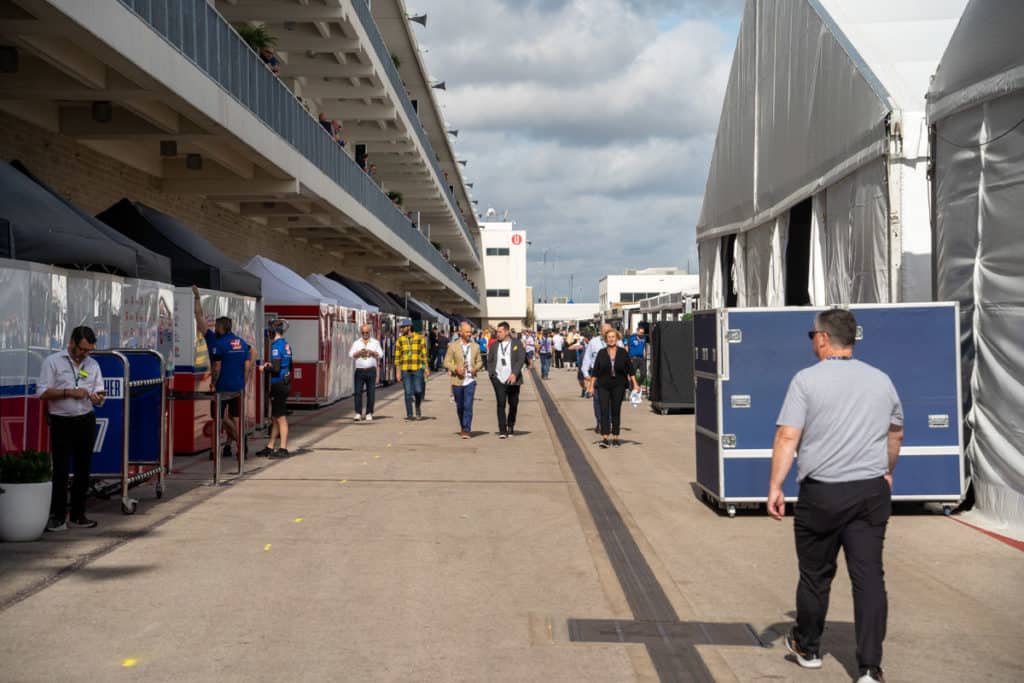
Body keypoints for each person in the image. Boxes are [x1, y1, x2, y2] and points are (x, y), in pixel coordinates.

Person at [768, 309, 903, 683]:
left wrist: (775, 487)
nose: (812, 341)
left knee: (815, 575)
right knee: (869, 577)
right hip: (869, 491)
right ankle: (870, 667)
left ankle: (808, 646)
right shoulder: (881, 381)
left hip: (821, 493)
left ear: (824, 339)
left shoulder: (806, 381)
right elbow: (895, 434)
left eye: (812, 335)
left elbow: (787, 437)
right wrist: (887, 469)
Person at [37, 326, 105, 530]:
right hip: (61, 420)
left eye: (89, 350)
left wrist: (98, 397)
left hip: (85, 418)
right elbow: (42, 392)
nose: (85, 354)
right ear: (72, 343)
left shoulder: (92, 365)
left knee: (83, 469)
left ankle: (78, 514)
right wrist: (68, 393)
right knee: (61, 469)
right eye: (82, 349)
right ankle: (58, 516)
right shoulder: (53, 362)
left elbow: (100, 392)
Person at [193, 285, 254, 460]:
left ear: (221, 327)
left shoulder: (217, 343)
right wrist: (245, 379)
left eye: (216, 326)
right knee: (234, 417)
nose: (213, 327)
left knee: (218, 417)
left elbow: (217, 367)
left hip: (223, 387)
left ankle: (237, 440)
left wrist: (214, 382)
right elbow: (248, 362)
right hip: (238, 387)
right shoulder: (240, 342)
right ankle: (234, 442)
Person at [586, 328, 640, 448]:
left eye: (613, 337)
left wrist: (635, 384)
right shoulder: (601, 352)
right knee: (604, 410)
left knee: (616, 410)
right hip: (603, 385)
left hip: (618, 385)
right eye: (609, 337)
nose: (611, 339)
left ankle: (615, 437)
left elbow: (630, 369)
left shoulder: (623, 352)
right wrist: (591, 386)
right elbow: (595, 371)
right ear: (606, 339)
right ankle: (605, 437)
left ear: (617, 338)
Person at [258, 319, 292, 458]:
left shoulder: (277, 346)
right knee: (274, 417)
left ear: (273, 331)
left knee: (280, 417)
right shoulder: (286, 344)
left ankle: (283, 448)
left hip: (279, 383)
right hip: (285, 382)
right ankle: (270, 445)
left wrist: (264, 368)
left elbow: (276, 368)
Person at [487, 322, 526, 439]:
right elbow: (490, 361)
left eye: (500, 332)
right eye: (497, 332)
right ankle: (502, 429)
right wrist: (492, 375)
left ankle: (510, 425)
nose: (497, 334)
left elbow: (520, 359)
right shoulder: (494, 345)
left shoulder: (517, 344)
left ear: (507, 332)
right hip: (498, 379)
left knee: (513, 404)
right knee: (500, 403)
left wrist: (514, 373)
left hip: (513, 379)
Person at [581, 323, 623, 433]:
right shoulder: (594, 342)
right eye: (604, 331)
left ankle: (608, 422)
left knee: (611, 401)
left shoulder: (618, 342)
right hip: (597, 376)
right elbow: (587, 358)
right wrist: (586, 374)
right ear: (601, 331)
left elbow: (624, 359)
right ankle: (600, 422)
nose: (607, 333)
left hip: (614, 377)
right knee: (598, 401)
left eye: (608, 330)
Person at [444, 321, 483, 439]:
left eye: (470, 332)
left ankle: (466, 429)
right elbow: (446, 362)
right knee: (460, 406)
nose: (469, 334)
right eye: (467, 332)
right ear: (460, 332)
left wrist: (475, 369)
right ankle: (462, 425)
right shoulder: (453, 346)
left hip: (470, 380)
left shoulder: (475, 346)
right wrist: (456, 369)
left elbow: (480, 361)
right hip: (457, 381)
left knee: (468, 405)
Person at [394, 318, 429, 420]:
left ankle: (417, 406)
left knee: (418, 390)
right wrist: (398, 372)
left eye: (403, 327)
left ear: (409, 327)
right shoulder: (400, 340)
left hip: (417, 368)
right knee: (408, 392)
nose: (401, 329)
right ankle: (409, 414)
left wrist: (426, 368)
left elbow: (423, 354)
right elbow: (397, 357)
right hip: (405, 369)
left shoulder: (419, 338)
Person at [350, 323, 382, 422]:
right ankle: (358, 413)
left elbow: (380, 355)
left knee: (371, 392)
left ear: (370, 332)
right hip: (359, 370)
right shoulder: (356, 343)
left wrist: (372, 353)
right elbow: (351, 354)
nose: (365, 334)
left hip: (371, 370)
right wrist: (359, 353)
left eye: (367, 332)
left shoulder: (375, 343)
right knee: (358, 392)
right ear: (361, 332)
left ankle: (369, 413)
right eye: (363, 332)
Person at [626, 324, 648, 391]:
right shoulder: (632, 338)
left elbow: (644, 348)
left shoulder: (644, 338)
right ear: (637, 331)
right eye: (641, 332)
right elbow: (627, 347)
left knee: (643, 374)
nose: (642, 334)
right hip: (633, 359)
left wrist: (645, 356)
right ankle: (631, 388)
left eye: (643, 333)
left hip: (641, 359)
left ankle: (636, 385)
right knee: (632, 375)